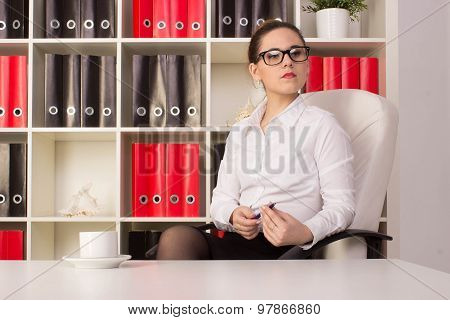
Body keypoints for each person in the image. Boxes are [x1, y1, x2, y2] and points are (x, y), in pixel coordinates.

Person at [155, 20, 356, 260]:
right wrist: (233, 215)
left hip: (290, 249)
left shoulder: (323, 126)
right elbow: (221, 201)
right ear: (255, 70)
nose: (287, 61)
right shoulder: (241, 131)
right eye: (273, 56)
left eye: (296, 53)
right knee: (176, 237)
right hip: (238, 243)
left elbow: (342, 206)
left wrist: (304, 231)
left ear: (306, 62)